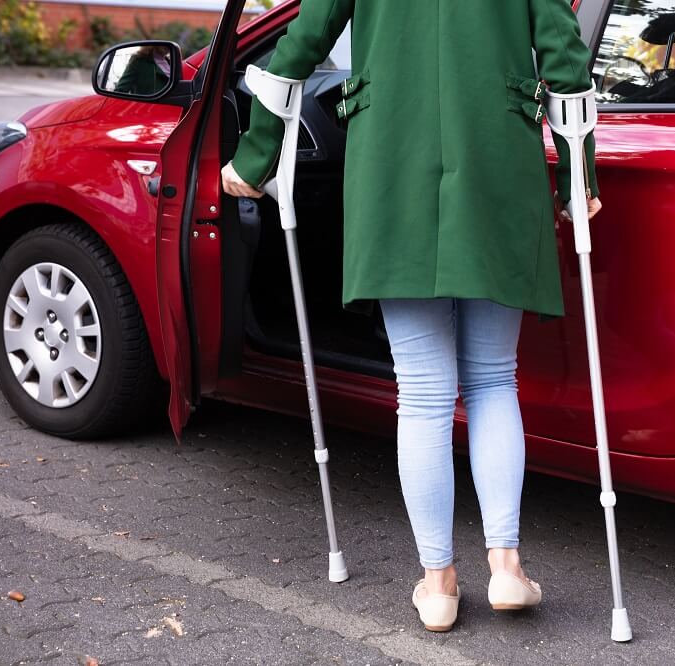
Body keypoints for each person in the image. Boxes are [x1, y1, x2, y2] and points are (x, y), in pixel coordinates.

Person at [221, 0, 602, 632]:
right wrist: (576, 181)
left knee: (423, 393)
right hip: (496, 161)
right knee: (492, 379)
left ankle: (439, 583)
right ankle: (505, 567)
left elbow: (299, 45)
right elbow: (564, 56)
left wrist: (256, 156)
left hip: (393, 165)